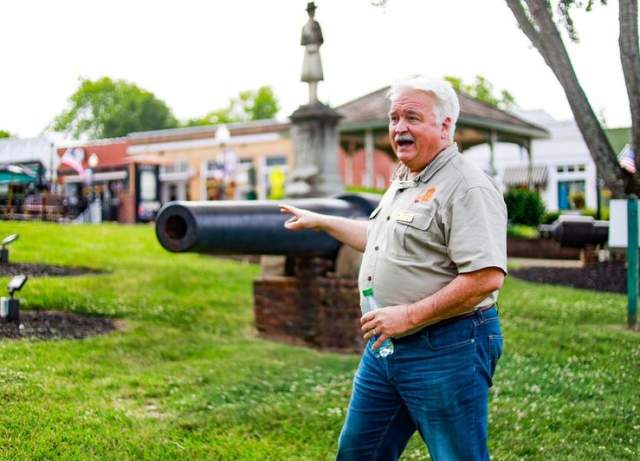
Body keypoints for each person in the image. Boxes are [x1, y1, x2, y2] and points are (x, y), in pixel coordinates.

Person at [279, 76, 507, 460]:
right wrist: (321, 220)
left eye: (412, 118)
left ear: (445, 126)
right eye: (394, 117)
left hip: (448, 347)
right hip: (386, 348)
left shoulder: (468, 187)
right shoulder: (406, 179)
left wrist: (409, 316)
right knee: (358, 453)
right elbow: (381, 238)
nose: (399, 127)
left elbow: (485, 278)